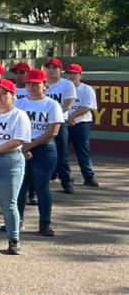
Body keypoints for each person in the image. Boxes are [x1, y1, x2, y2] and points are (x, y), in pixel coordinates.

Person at [0, 79, 29, 255]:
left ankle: (13, 239)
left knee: (8, 204)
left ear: (13, 96)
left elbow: (18, 140)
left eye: (4, 94)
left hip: (9, 161)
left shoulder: (19, 115)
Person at [16, 69, 63, 236]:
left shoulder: (51, 104)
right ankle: (16, 222)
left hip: (44, 148)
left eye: (37, 83)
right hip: (22, 147)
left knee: (41, 187)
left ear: (45, 86)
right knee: (20, 187)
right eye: (29, 83)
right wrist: (23, 148)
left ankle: (45, 224)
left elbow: (52, 132)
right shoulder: (19, 103)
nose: (32, 86)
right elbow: (14, 128)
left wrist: (28, 147)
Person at [42, 58, 76, 193]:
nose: (51, 70)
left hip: (59, 123)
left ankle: (66, 182)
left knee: (62, 154)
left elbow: (68, 104)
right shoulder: (41, 84)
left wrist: (52, 115)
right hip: (41, 124)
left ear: (60, 70)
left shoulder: (66, 85)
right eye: (48, 67)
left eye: (54, 68)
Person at [63, 64, 99, 187]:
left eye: (74, 73)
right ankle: (59, 176)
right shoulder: (64, 88)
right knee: (61, 151)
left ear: (80, 75)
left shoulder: (86, 89)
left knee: (82, 151)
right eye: (69, 73)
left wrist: (71, 116)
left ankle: (88, 177)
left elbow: (87, 107)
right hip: (64, 123)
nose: (71, 75)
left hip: (82, 124)